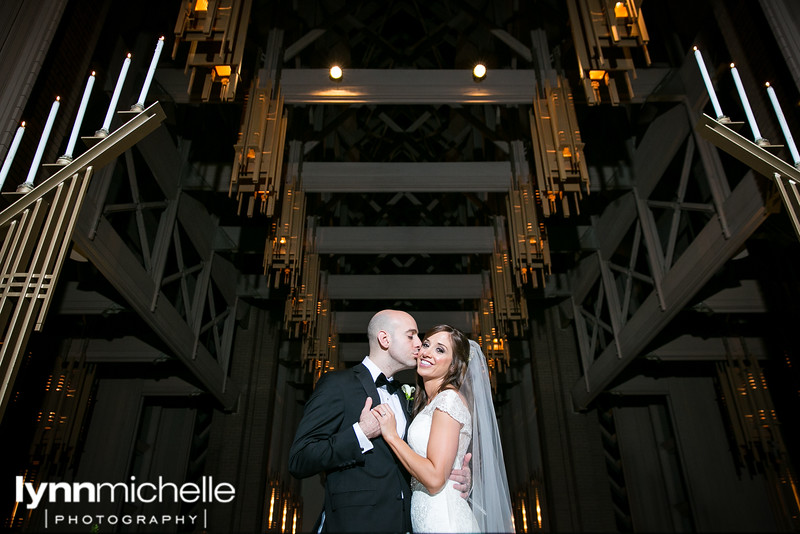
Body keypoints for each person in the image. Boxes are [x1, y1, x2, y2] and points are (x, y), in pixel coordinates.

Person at [288, 310, 470, 533]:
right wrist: (359, 433)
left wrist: (456, 474)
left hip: (408, 523)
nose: (419, 344)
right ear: (385, 339)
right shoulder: (338, 385)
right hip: (355, 524)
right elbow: (300, 459)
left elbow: (426, 458)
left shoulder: (409, 398)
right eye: (411, 336)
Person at [372, 325, 514, 533]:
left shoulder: (448, 400)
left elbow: (435, 479)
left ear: (454, 366)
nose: (427, 352)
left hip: (445, 522)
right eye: (427, 345)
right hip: (428, 518)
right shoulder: (430, 403)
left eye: (440, 350)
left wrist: (392, 436)